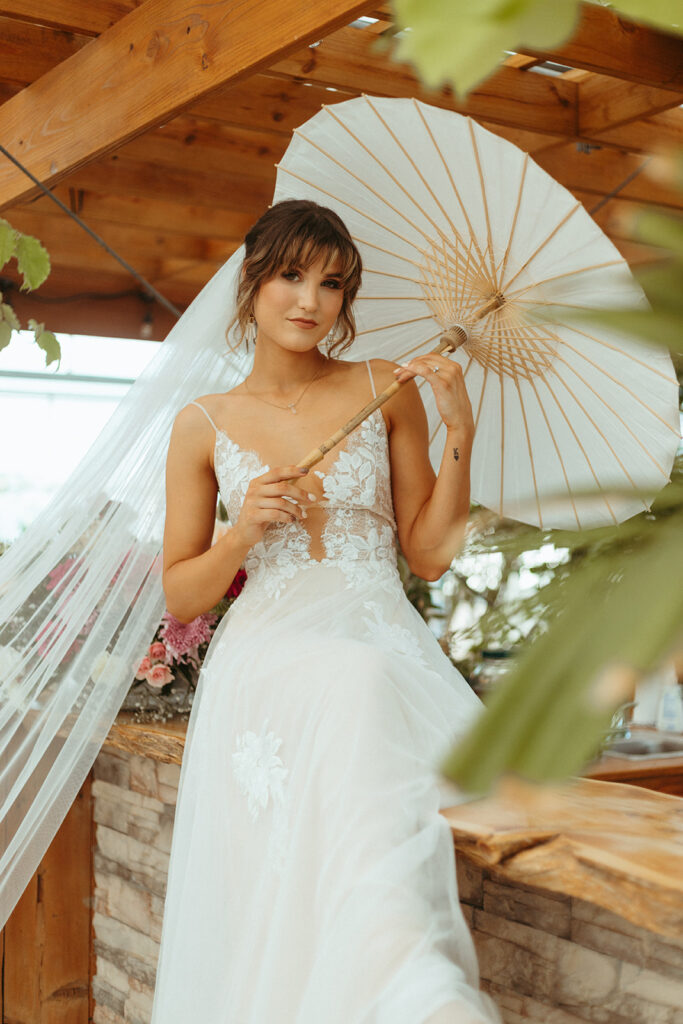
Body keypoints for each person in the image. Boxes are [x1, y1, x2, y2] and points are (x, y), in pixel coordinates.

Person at [150, 200, 500, 1023]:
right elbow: (178, 593)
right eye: (291, 275)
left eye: (333, 283)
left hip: (381, 645)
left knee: (363, 689)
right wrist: (242, 533)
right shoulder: (201, 425)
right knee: (347, 690)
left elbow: (428, 554)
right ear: (252, 282)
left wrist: (458, 430)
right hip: (270, 660)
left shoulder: (384, 388)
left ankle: (392, 982)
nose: (311, 300)